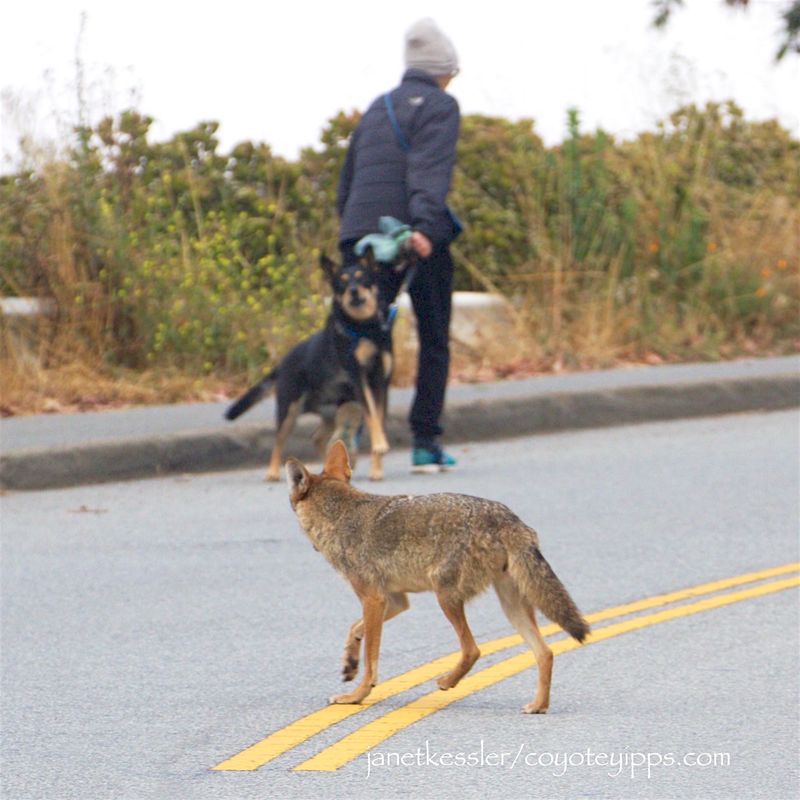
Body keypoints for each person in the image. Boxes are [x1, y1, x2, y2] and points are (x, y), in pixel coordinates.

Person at [337, 17, 462, 473]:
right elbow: (430, 172)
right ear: (442, 70)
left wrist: (351, 243)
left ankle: (346, 442)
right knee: (433, 338)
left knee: (358, 340)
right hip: (409, 236)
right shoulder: (440, 107)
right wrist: (426, 230)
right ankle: (425, 443)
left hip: (360, 240)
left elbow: (346, 183)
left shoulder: (377, 107)